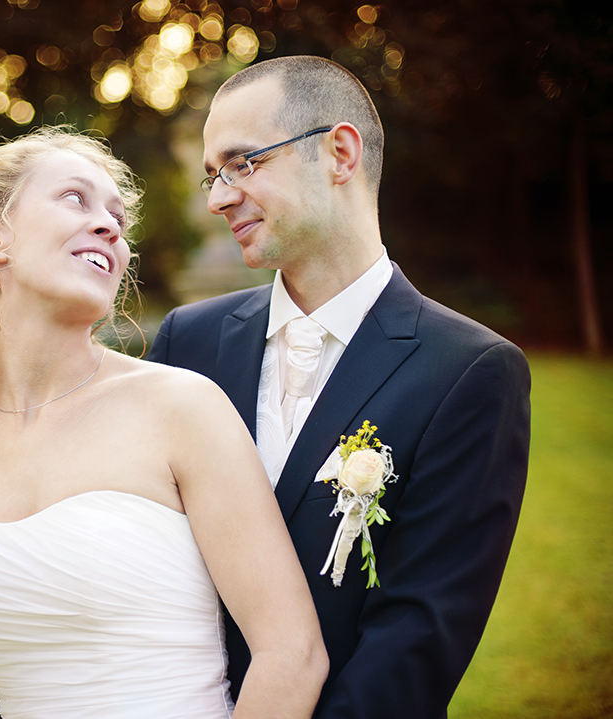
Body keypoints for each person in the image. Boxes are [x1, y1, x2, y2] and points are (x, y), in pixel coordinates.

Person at [0, 127, 328, 719]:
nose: (109, 225)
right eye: (75, 199)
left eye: (118, 217)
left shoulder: (181, 408)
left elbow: (292, 653)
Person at [146, 56, 530, 719]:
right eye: (213, 175)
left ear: (340, 153)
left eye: (242, 163)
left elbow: (414, 644)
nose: (216, 197)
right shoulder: (188, 342)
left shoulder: (470, 372)